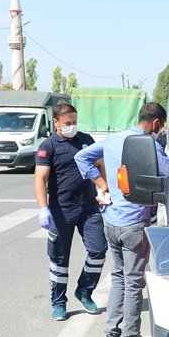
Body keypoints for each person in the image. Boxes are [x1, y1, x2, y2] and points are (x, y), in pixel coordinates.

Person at [75, 102, 169, 337]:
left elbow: (81, 157)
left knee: (118, 277)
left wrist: (101, 183)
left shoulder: (113, 139)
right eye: (162, 127)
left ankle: (111, 334)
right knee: (134, 282)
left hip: (112, 220)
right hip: (134, 223)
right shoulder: (150, 146)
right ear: (156, 123)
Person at [34, 102, 106, 322]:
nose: (72, 126)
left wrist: (104, 189)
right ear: (56, 122)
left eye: (74, 121)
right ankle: (59, 302)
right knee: (59, 258)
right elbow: (40, 179)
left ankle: (84, 291)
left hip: (89, 207)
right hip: (61, 210)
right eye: (68, 123)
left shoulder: (86, 140)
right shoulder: (48, 146)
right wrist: (43, 208)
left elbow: (99, 164)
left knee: (98, 250)